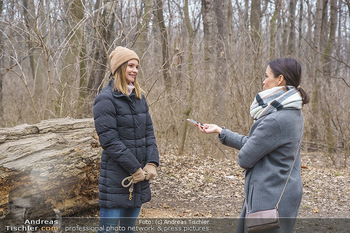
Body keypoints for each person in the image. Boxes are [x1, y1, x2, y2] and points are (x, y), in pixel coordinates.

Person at [197, 58, 309, 233]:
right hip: (283, 192)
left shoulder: (275, 119)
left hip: (269, 198)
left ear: (280, 79)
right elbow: (258, 144)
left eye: (266, 76)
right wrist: (220, 131)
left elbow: (245, 157)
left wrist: (247, 154)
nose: (263, 82)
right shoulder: (293, 111)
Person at [93, 46, 159, 233]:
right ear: (119, 67)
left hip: (139, 180)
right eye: (130, 65)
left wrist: (152, 164)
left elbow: (149, 133)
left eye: (137, 66)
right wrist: (135, 169)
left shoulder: (140, 98)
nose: (135, 70)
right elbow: (110, 141)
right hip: (116, 179)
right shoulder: (105, 99)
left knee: (128, 230)